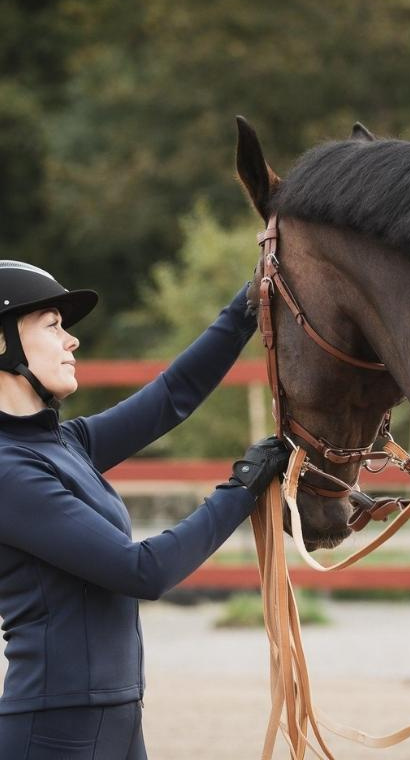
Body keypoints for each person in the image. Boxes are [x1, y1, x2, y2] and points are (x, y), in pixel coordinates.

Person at [0, 260, 290, 759]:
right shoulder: (8, 471)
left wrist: (247, 307)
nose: (71, 340)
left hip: (115, 717)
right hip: (55, 731)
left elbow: (172, 396)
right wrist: (242, 488)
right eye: (52, 325)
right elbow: (143, 571)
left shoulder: (64, 443)